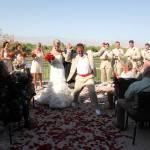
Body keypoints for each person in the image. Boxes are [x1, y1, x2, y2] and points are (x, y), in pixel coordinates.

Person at [36, 39, 72, 108]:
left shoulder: (61, 52)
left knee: (60, 83)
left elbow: (67, 58)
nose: (57, 45)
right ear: (54, 44)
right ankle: (52, 98)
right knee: (54, 83)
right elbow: (50, 62)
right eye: (56, 44)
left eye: (58, 44)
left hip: (61, 69)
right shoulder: (51, 52)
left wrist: (68, 50)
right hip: (54, 69)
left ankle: (61, 99)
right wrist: (51, 61)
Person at [66, 43, 101, 115]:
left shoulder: (89, 54)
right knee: (76, 91)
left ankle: (97, 108)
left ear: (83, 49)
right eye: (78, 51)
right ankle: (75, 102)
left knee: (92, 92)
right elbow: (67, 59)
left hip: (89, 77)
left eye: (81, 51)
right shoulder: (75, 56)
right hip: (79, 77)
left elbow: (98, 54)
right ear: (76, 51)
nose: (80, 52)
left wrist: (103, 48)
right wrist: (69, 50)